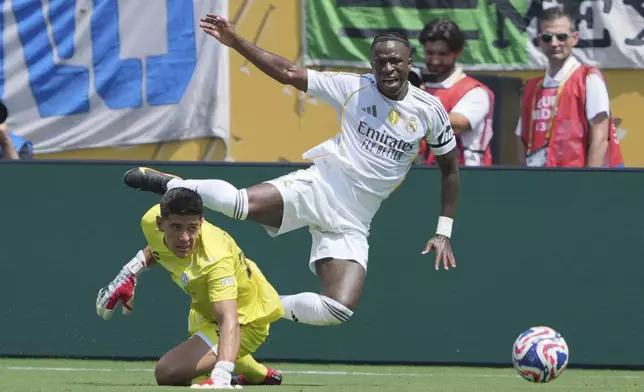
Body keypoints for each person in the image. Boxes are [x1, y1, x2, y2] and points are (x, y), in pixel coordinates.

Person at [123, 12, 460, 328]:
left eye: (395, 61)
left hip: (354, 221)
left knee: (338, 309)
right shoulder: (353, 87)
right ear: (372, 64)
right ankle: (175, 185)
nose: (388, 68)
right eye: (381, 61)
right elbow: (287, 72)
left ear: (409, 63)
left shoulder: (429, 111)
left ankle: (261, 303)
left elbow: (449, 171)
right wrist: (236, 41)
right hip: (320, 187)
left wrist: (443, 230)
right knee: (238, 205)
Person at [96, 188, 283, 389]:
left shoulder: (215, 259)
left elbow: (229, 318)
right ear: (160, 223)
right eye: (176, 227)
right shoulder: (150, 222)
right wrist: (129, 272)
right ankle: (260, 374)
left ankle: (228, 366)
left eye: (192, 228)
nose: (184, 237)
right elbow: (159, 247)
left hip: (246, 321)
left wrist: (222, 374)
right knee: (197, 346)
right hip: (203, 311)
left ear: (201, 223)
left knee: (168, 372)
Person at [515, 6, 624, 167]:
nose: (554, 43)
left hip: (576, 180)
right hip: (539, 181)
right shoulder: (532, 87)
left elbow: (600, 139)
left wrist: (587, 184)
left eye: (561, 37)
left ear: (575, 38)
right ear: (539, 41)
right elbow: (521, 141)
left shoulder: (588, 78)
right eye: (547, 37)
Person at [417, 18, 495, 167]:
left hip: (467, 177)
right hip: (425, 174)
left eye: (442, 54)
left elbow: (457, 124)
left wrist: (410, 108)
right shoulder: (420, 88)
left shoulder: (475, 91)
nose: (435, 60)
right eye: (429, 53)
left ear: (457, 53)